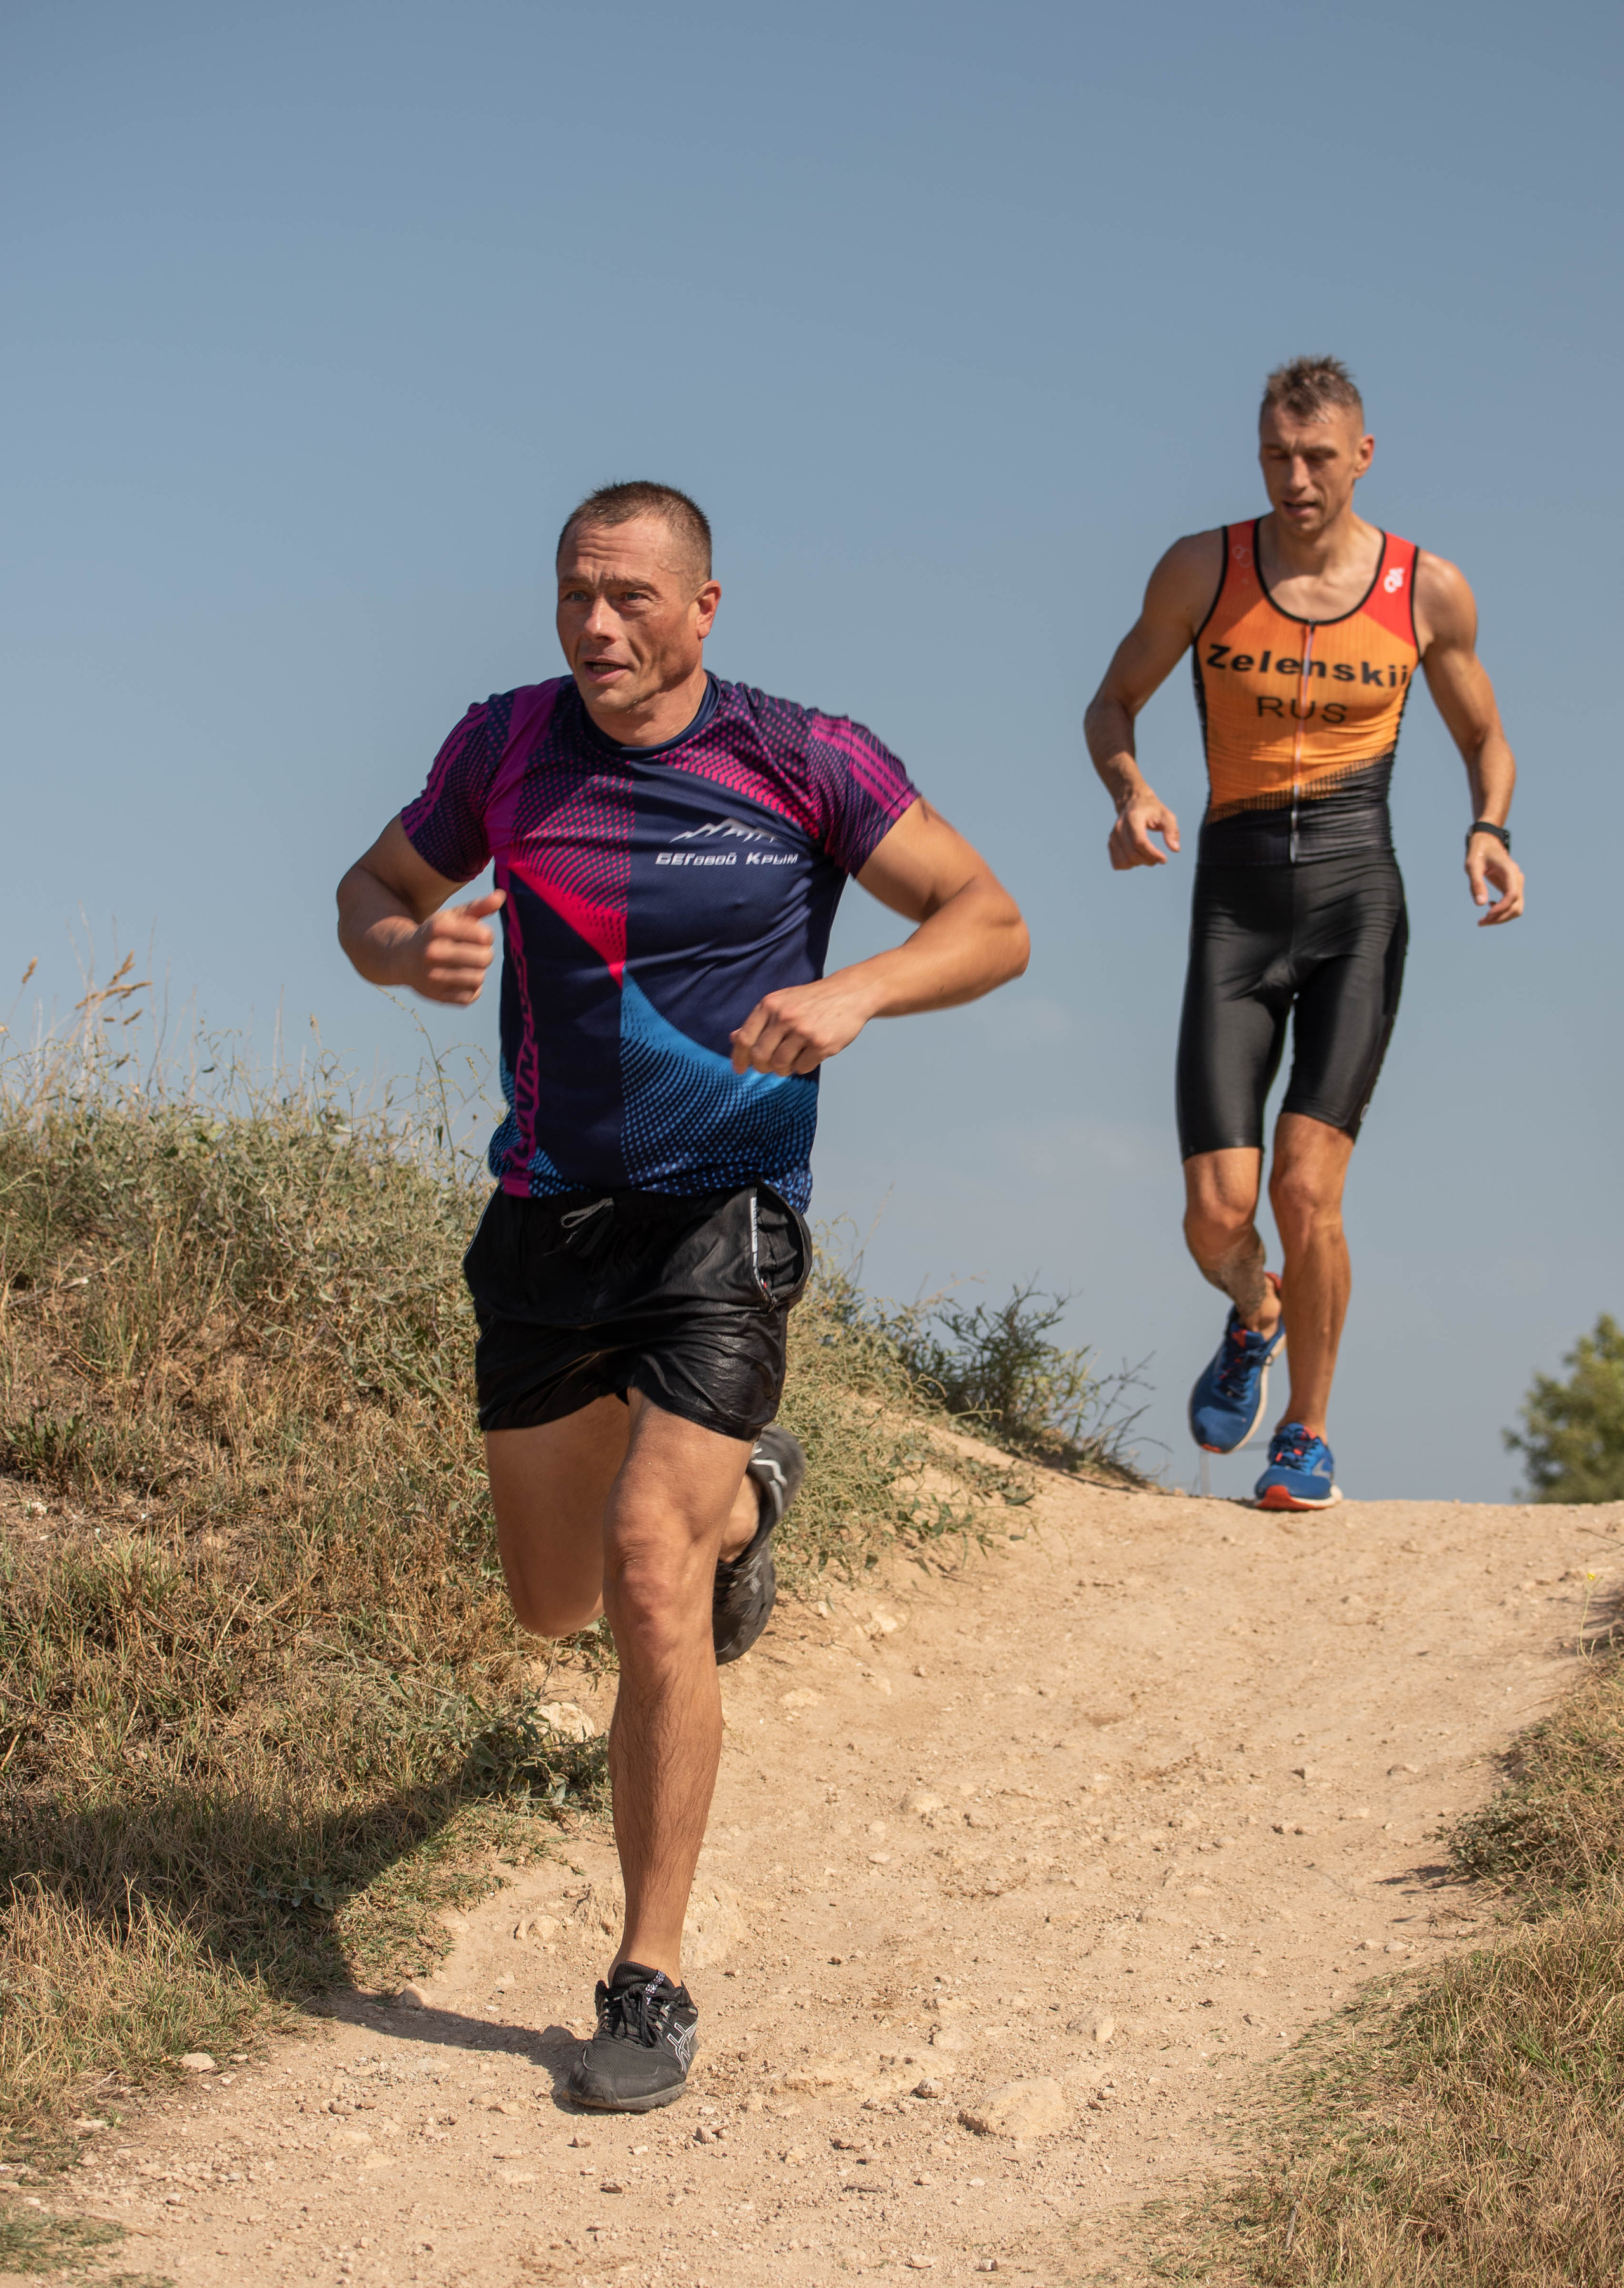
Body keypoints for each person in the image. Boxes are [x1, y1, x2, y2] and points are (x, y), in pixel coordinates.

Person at [336, 481, 1027, 2109]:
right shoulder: (503, 745)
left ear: (704, 607)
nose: (598, 627)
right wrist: (400, 945)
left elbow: (988, 921)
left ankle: (644, 1977)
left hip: (724, 1222)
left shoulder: (803, 756)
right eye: (576, 594)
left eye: (633, 598)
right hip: (544, 1223)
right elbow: (370, 888)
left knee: (645, 1578)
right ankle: (740, 1507)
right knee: (553, 1603)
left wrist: (856, 987)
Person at [1084, 358, 1524, 1510]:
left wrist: (1489, 827)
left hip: (1354, 902)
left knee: (1305, 1189)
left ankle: (1309, 1436)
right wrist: (1130, 793)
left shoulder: (1427, 590)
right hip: (1233, 899)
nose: (1295, 478)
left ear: (1362, 456)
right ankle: (1255, 1313)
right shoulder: (1205, 568)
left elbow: (1488, 737)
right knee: (1217, 1215)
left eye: (1318, 457)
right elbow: (1111, 702)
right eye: (1277, 456)